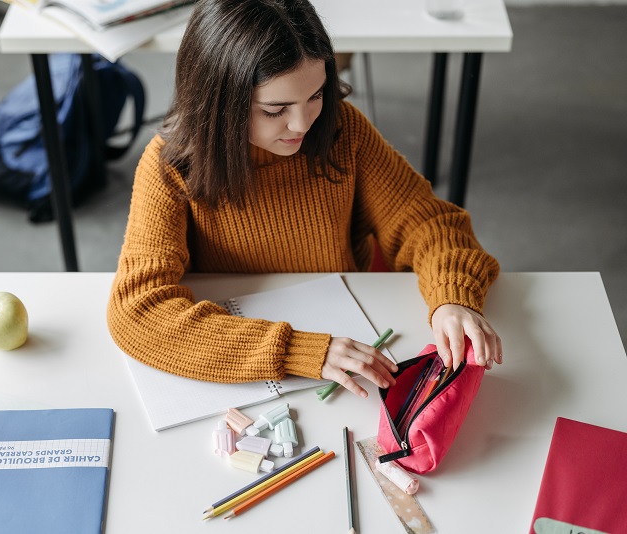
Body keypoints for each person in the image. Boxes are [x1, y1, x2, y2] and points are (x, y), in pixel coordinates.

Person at [107, 0, 502, 399]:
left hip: (349, 352)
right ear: (220, 103)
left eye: (315, 95)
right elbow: (138, 310)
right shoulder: (171, 166)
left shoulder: (343, 131)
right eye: (275, 109)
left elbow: (428, 223)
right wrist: (298, 350)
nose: (302, 124)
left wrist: (453, 297)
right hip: (256, 374)